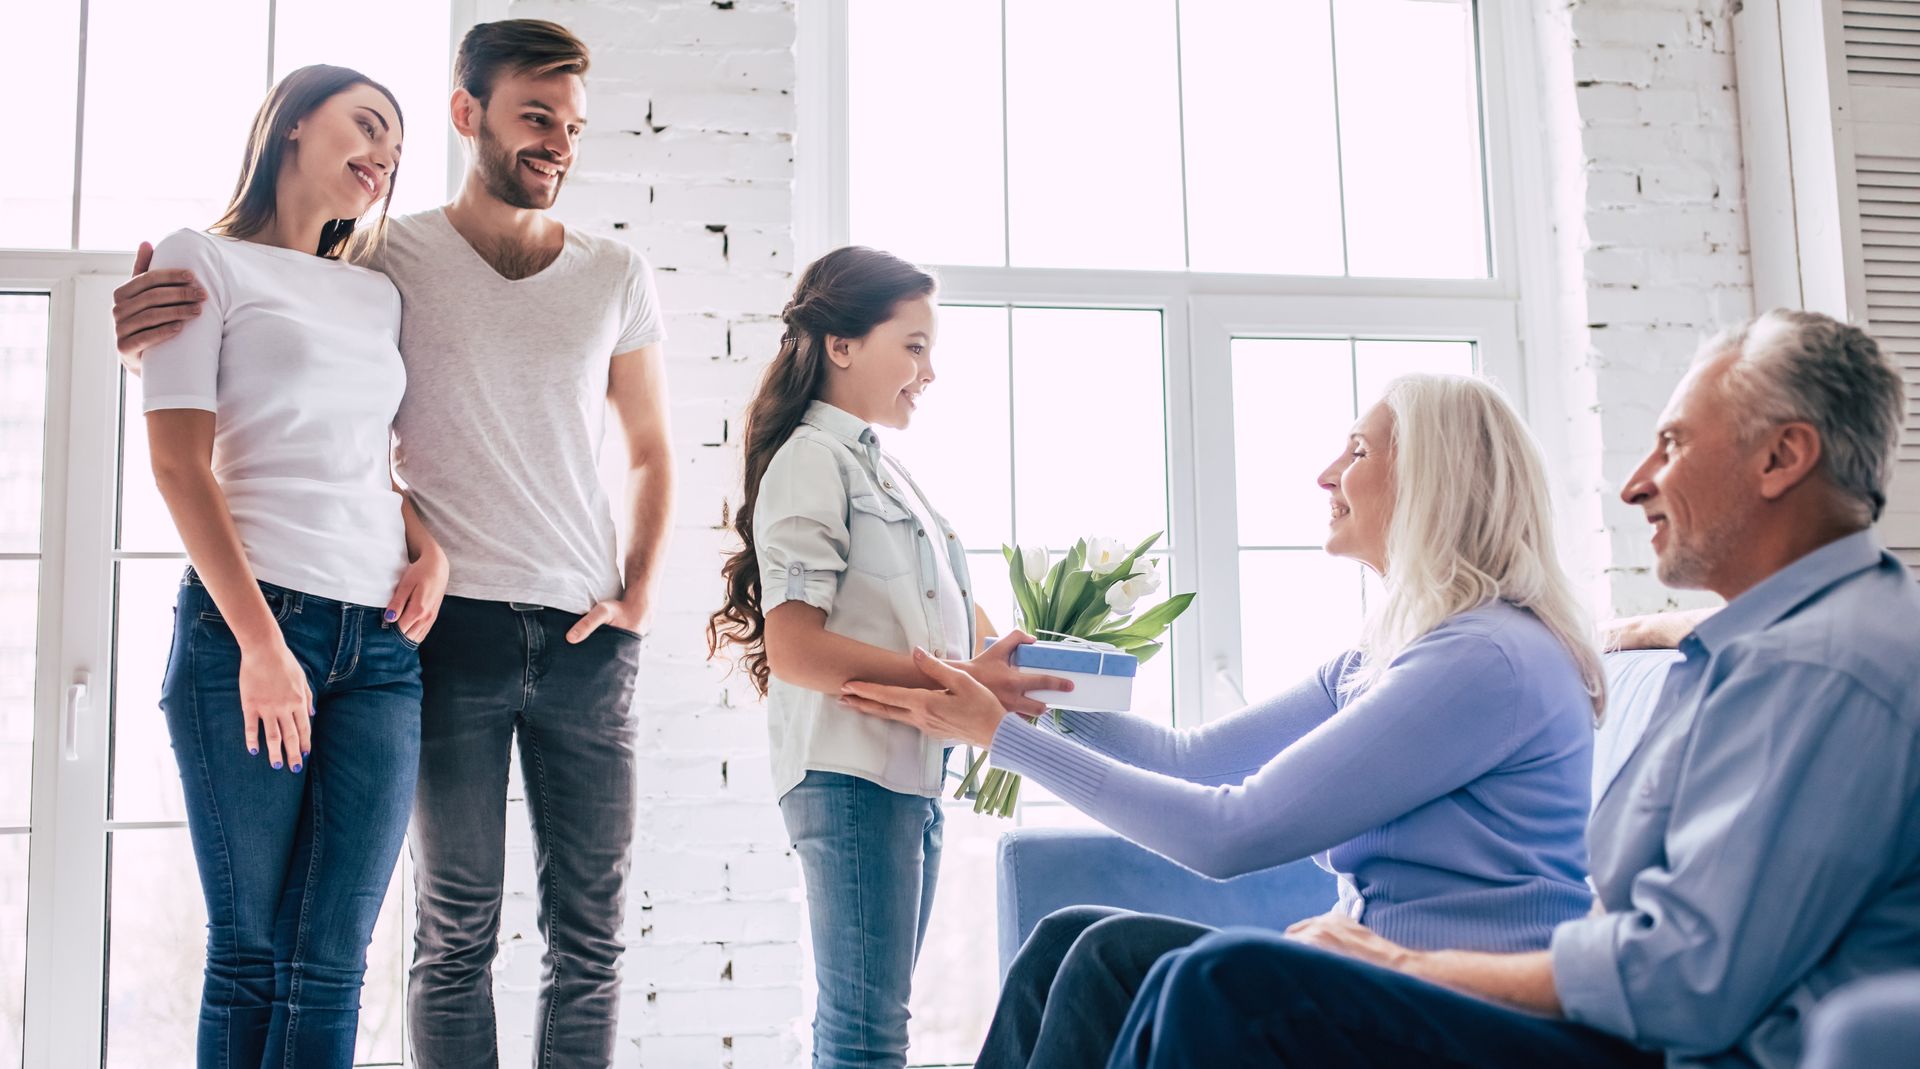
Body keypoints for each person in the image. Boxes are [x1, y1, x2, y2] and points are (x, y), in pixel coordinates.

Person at [1104, 309, 1920, 1069]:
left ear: (1782, 458)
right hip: (1637, 1022)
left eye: (1671, 445)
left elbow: (1682, 981)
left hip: (1679, 1048)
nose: (1637, 484)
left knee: (1231, 983)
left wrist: (1409, 964)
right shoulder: (1775, 646)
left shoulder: (1824, 669)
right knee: (1136, 961)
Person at [111, 21, 673, 1069]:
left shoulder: (454, 279)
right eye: (534, 116)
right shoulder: (341, 253)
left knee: (419, 952)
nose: (557, 141)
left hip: (472, 633)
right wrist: (140, 342)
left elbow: (380, 449)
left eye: (574, 125)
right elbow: (218, 417)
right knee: (345, 942)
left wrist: (614, 586)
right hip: (347, 628)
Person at [842, 373, 1606, 1069]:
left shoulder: (1486, 658)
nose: (1327, 473)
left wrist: (1000, 736)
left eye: (1359, 449)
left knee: (1110, 953)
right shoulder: (1387, 654)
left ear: (1433, 481)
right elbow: (1194, 759)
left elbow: (1229, 833)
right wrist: (1039, 691)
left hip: (1470, 1013)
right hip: (1375, 981)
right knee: (1065, 939)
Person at [143, 65, 445, 1068]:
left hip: (383, 650)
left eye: (397, 148)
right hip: (253, 624)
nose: (384, 156)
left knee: (335, 960)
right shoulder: (203, 260)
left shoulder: (377, 293)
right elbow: (183, 465)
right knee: (252, 950)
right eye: (367, 125)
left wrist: (427, 540)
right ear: (293, 124)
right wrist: (261, 643)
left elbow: (361, 458)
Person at [707, 246, 1070, 1068]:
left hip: (904, 775)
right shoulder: (811, 458)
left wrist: (1014, 659)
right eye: (912, 346)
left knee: (875, 1025)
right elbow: (795, 648)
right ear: (841, 344)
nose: (929, 371)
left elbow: (937, 623)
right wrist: (971, 679)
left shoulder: (885, 469)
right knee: (865, 1034)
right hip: (850, 776)